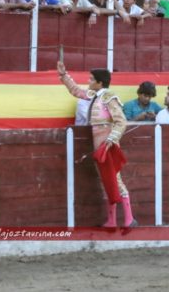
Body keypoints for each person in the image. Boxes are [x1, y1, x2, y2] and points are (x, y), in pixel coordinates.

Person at [57, 61, 137, 228]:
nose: (88, 81)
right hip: (100, 144)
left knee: (115, 180)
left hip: (107, 145)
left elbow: (121, 121)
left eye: (91, 79)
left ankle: (129, 219)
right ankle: (112, 221)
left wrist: (111, 140)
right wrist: (64, 75)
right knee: (107, 180)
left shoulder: (108, 96)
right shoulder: (96, 95)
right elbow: (76, 91)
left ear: (100, 82)